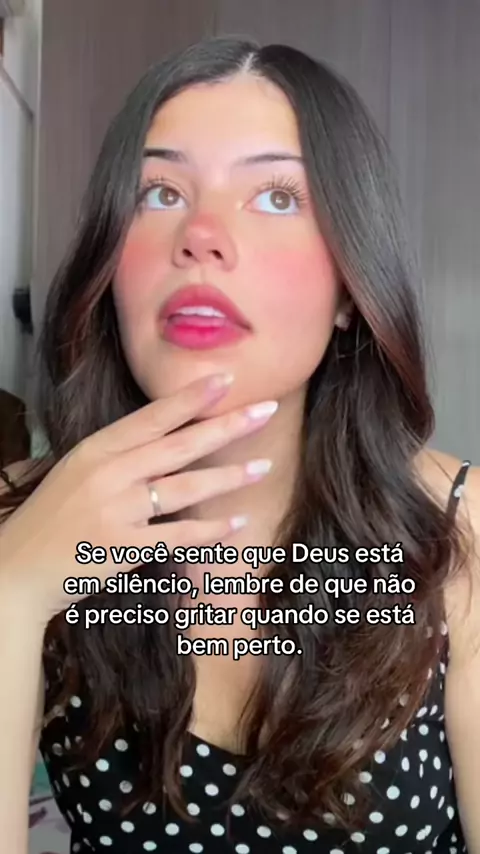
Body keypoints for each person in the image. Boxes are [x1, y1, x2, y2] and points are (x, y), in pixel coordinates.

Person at [0, 35, 479, 854]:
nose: (202, 235)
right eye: (160, 192)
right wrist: (14, 594)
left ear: (349, 291)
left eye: (278, 198)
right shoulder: (18, 518)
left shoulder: (459, 531)